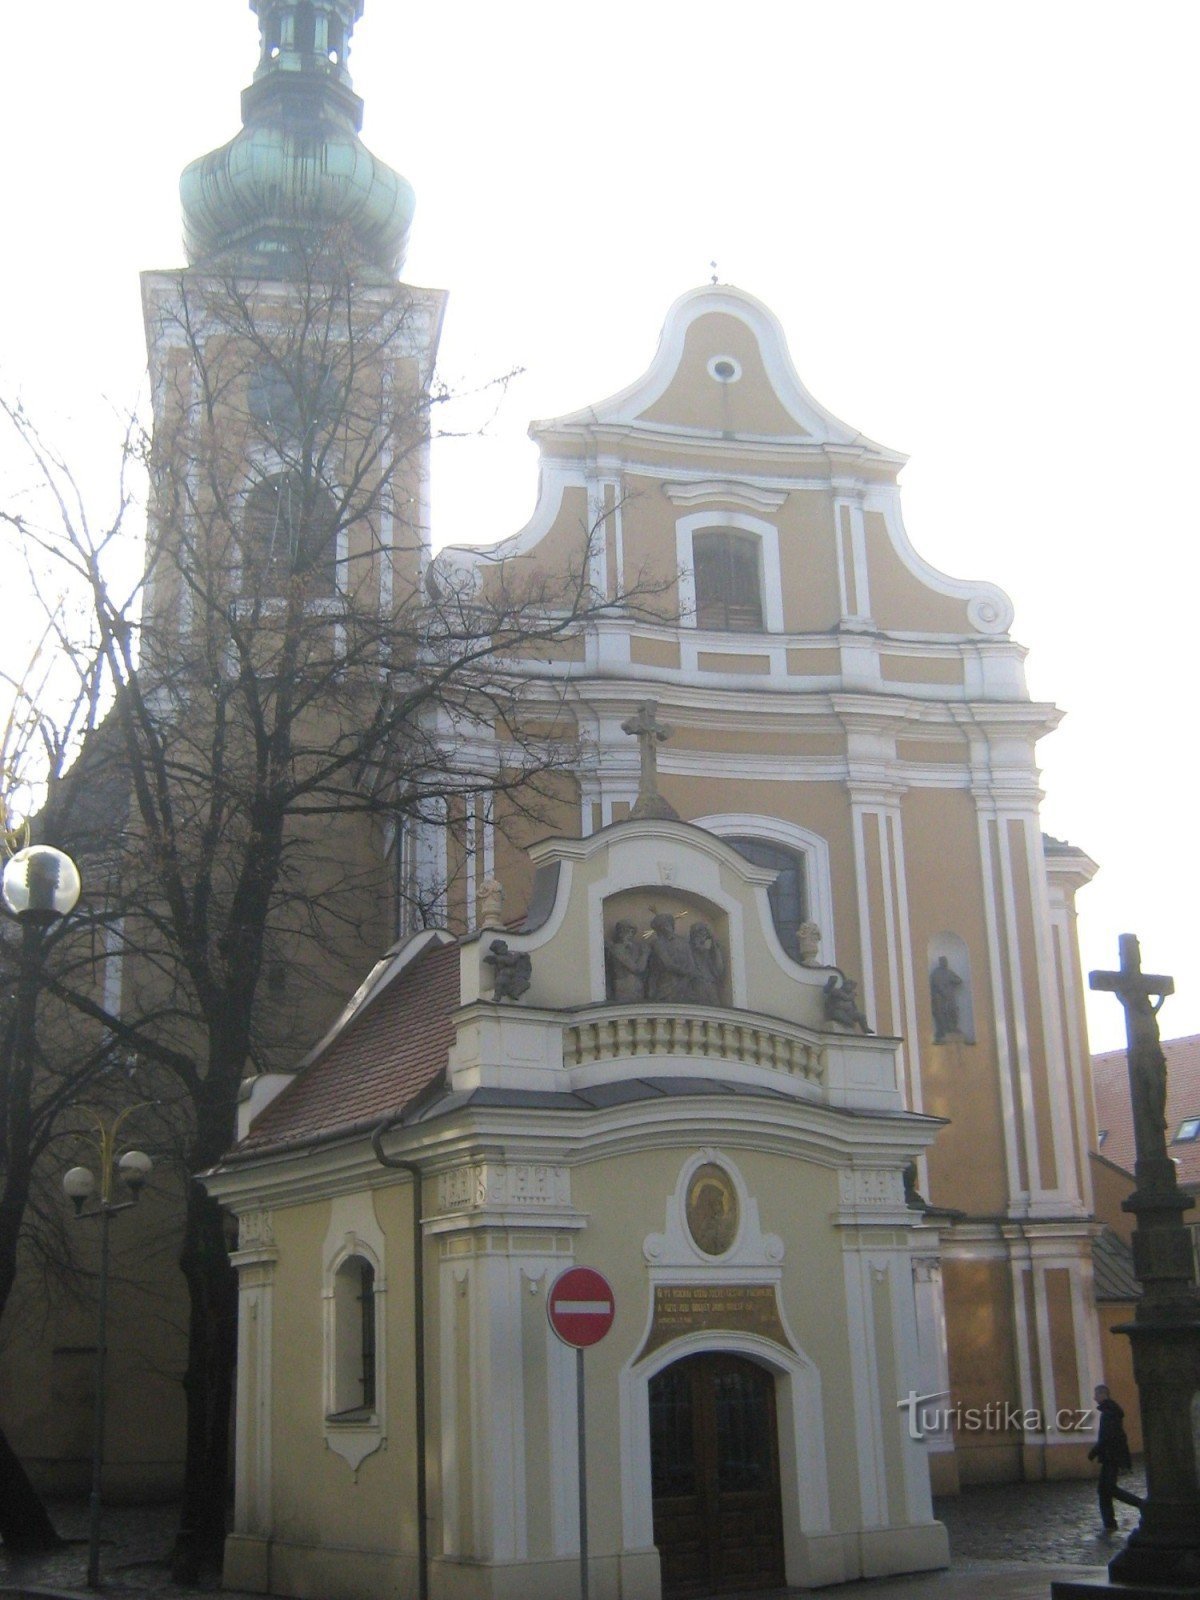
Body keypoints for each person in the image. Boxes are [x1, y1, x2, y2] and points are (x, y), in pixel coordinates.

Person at [1088, 1384, 1144, 1531]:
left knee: (1109, 1489)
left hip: (1111, 1456)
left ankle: (1142, 1505)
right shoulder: (1110, 1411)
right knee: (1104, 1489)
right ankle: (1109, 1523)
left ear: (1103, 1394)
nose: (1094, 1398)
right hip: (1111, 1455)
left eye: (1096, 1395)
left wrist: (1094, 1452)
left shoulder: (1109, 1413)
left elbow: (1108, 1436)